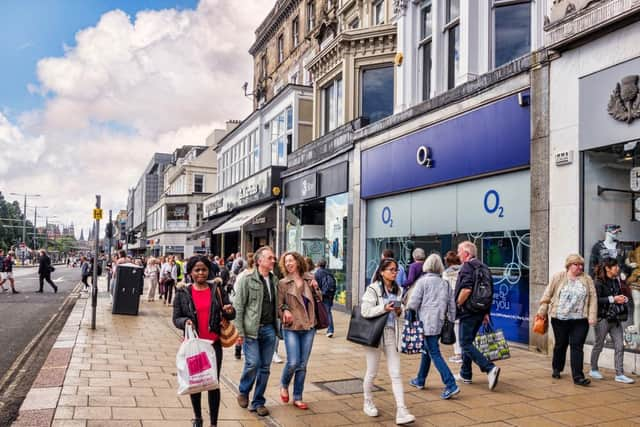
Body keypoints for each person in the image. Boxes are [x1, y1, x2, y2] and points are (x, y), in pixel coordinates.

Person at [173, 255, 236, 427]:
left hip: (213, 344)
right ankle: (198, 417)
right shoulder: (182, 292)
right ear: (191, 272)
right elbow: (176, 318)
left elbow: (230, 313)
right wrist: (184, 322)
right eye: (197, 270)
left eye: (204, 269)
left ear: (209, 271)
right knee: (196, 382)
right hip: (194, 345)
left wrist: (229, 310)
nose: (201, 273)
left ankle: (214, 423)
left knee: (213, 383)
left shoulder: (217, 289)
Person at [361, 257, 415, 425]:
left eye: (396, 269)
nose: (394, 272)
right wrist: (383, 308)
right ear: (382, 272)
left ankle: (402, 410)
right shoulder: (373, 289)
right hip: (375, 335)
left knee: (396, 373)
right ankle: (367, 401)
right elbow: (365, 311)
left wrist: (399, 311)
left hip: (391, 334)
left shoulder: (398, 290)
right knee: (372, 372)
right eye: (391, 269)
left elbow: (403, 314)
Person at [537, 253, 597, 386]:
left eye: (581, 265)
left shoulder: (587, 279)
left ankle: (578, 377)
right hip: (560, 318)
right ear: (569, 265)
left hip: (580, 319)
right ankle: (557, 368)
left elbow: (593, 298)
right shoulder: (558, 277)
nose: (579, 267)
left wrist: (592, 316)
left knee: (577, 346)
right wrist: (542, 309)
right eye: (576, 264)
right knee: (561, 344)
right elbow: (547, 294)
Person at [234, 246, 279, 417]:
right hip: (251, 329)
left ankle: (258, 401)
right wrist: (239, 331)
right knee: (253, 363)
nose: (273, 260)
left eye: (273, 258)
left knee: (265, 367)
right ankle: (244, 391)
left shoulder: (274, 280)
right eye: (270, 258)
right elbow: (239, 306)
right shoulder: (247, 279)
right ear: (260, 261)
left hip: (269, 329)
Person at [407, 254, 459, 399]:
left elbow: (413, 304)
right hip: (440, 322)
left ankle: (451, 384)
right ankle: (420, 379)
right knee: (427, 350)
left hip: (426, 322)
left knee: (434, 353)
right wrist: (451, 321)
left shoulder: (422, 282)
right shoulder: (445, 283)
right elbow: (452, 306)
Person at [277, 251, 323, 410]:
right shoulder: (283, 283)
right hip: (291, 327)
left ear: (298, 262)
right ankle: (284, 384)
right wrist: (285, 310)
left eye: (291, 260)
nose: (288, 264)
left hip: (309, 325)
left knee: (302, 364)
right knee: (293, 361)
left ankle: (298, 396)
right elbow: (279, 305)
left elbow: (319, 300)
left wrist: (316, 288)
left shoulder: (309, 278)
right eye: (286, 261)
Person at [454, 241, 501, 390]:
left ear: (466, 253)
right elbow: (490, 291)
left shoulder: (467, 266)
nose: (458, 254)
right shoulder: (484, 267)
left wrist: (457, 304)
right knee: (469, 342)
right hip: (480, 311)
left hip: (468, 311)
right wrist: (487, 312)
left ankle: (489, 368)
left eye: (459, 251)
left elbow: (467, 290)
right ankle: (465, 374)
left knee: (465, 343)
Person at [589, 257, 634, 383]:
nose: (618, 268)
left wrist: (623, 298)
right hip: (602, 318)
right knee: (599, 344)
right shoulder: (598, 282)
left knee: (620, 345)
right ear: (608, 268)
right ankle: (593, 369)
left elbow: (619, 295)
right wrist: (613, 299)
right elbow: (595, 300)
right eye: (615, 266)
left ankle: (619, 373)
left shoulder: (616, 281)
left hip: (615, 318)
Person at [233, 252, 255, 360]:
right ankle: (239, 348)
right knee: (242, 329)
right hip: (244, 307)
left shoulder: (241, 275)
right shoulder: (244, 276)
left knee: (242, 329)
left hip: (245, 308)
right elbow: (238, 292)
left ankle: (238, 349)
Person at [443, 251, 463, 363]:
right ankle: (464, 353)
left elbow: (444, 290)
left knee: (454, 328)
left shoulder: (446, 274)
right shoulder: (463, 271)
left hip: (452, 304)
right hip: (463, 302)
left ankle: (458, 353)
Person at [314, 258, 336, 337]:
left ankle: (314, 329)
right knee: (328, 313)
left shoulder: (317, 273)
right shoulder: (329, 273)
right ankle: (330, 330)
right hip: (329, 296)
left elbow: (316, 286)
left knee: (316, 312)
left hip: (321, 295)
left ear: (318, 265)